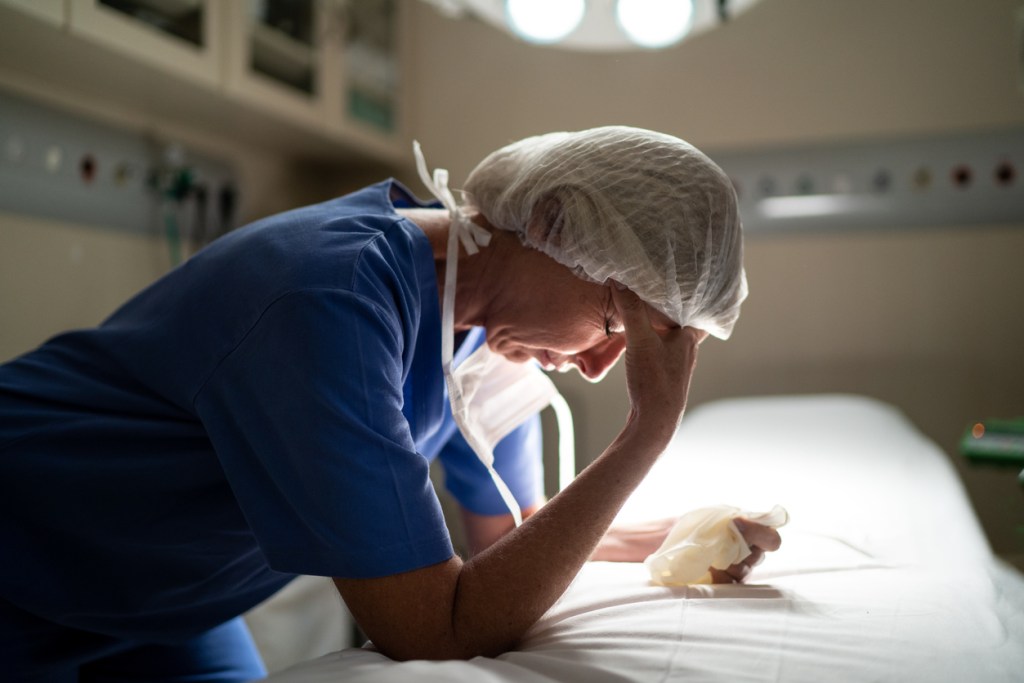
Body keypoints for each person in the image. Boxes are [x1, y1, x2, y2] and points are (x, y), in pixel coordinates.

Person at [0, 126, 781, 681]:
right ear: (552, 228)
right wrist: (646, 433)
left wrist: (682, 538)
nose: (600, 364)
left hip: (163, 604)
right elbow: (433, 627)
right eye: (616, 324)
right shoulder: (328, 300)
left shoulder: (478, 324)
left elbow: (510, 534)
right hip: (26, 555)